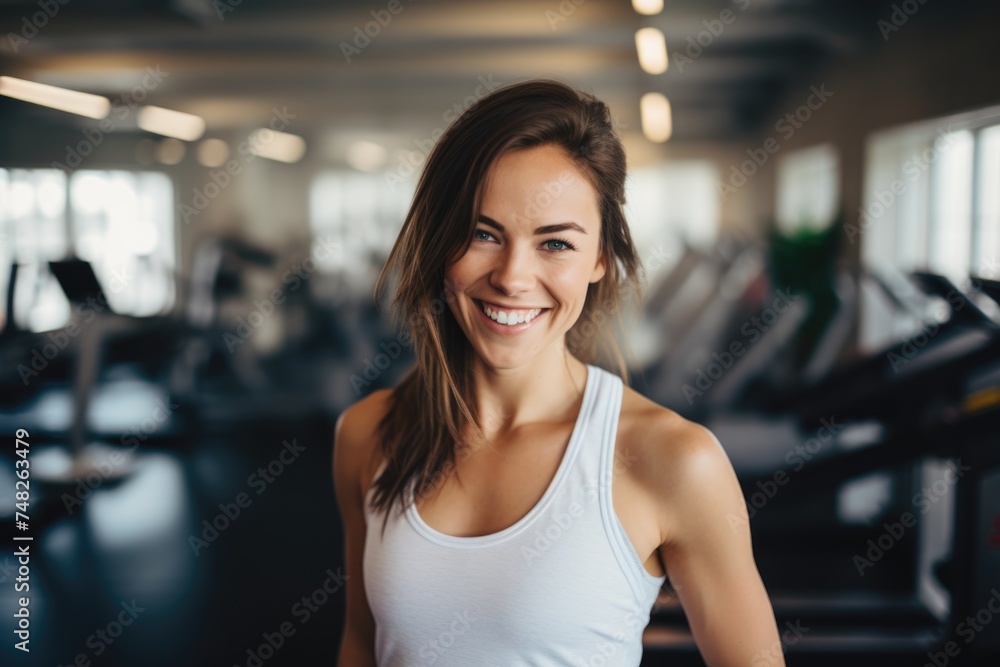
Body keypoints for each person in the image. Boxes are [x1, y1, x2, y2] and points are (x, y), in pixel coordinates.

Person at [333, 78, 784, 666]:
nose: (513, 278)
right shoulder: (367, 434)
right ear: (438, 240)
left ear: (600, 257)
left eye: (555, 244)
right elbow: (360, 643)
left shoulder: (675, 461)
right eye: (482, 233)